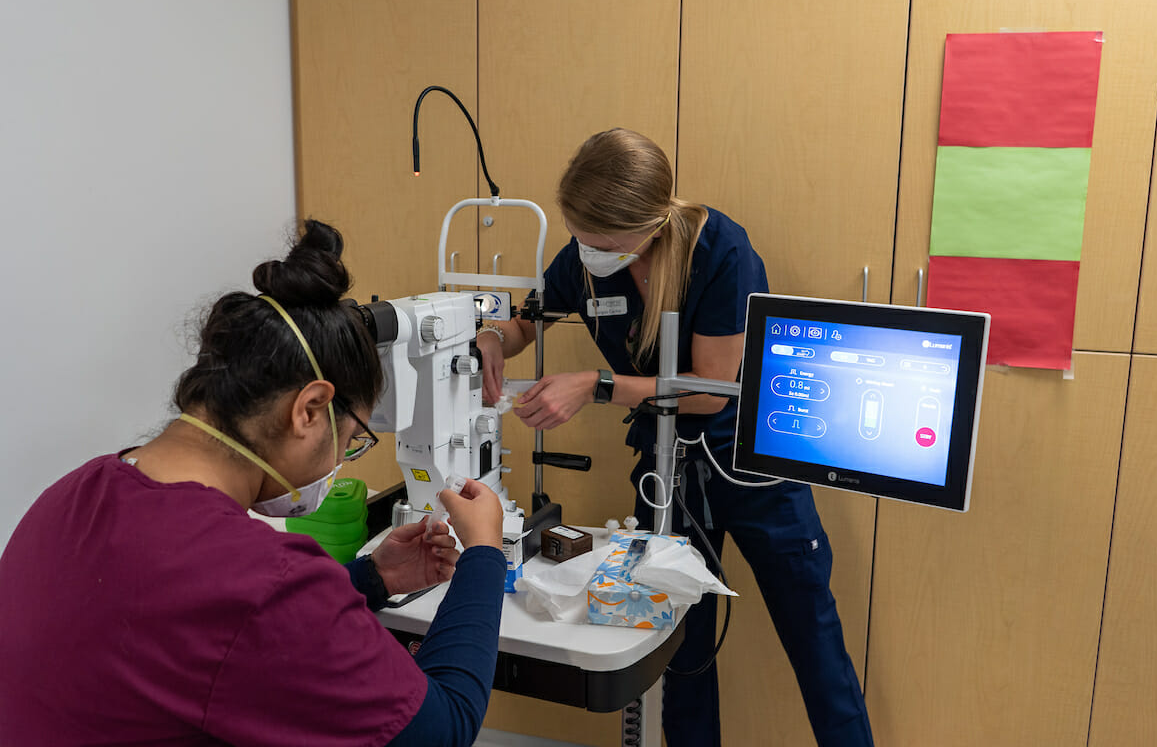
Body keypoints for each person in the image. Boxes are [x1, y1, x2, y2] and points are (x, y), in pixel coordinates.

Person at [0, 220, 506, 747]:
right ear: (310, 409)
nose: (343, 458)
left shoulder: (72, 495)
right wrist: (485, 554)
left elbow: (204, 636)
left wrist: (368, 579)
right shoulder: (264, 582)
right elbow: (442, 730)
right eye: (352, 439)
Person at [477, 129, 874, 746]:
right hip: (669, 473)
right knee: (679, 645)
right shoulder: (586, 256)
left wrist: (595, 384)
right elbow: (527, 319)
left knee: (815, 642)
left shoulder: (721, 251)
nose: (586, 253)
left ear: (646, 226)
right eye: (578, 236)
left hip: (753, 471)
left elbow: (708, 392)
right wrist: (491, 340)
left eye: (600, 242)